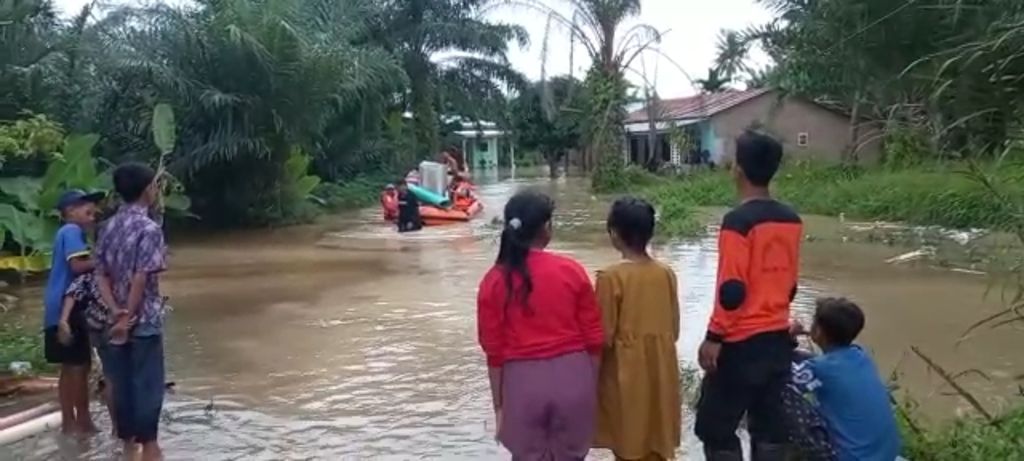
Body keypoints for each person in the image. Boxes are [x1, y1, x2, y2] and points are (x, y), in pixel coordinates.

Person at [694, 130, 803, 461]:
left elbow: (732, 290)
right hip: (777, 339)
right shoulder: (791, 220)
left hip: (740, 344)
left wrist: (714, 337)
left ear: (738, 170)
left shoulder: (737, 222)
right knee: (769, 429)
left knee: (715, 429)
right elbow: (790, 284)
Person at [476, 190, 603, 460]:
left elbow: (494, 352)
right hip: (574, 375)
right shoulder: (571, 270)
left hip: (522, 382)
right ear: (546, 228)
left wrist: (499, 406)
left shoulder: (493, 281)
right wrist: (590, 389)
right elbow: (594, 339)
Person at [594, 197, 681, 461]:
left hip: (626, 374)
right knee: (656, 441)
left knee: (628, 442)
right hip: (662, 370)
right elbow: (674, 329)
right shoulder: (666, 273)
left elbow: (603, 336)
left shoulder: (610, 278)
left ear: (614, 234)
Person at [95, 162, 168, 461]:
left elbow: (100, 275)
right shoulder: (149, 229)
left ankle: (128, 450)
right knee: (148, 388)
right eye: (154, 186)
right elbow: (142, 275)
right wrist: (129, 315)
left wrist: (116, 311)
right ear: (148, 189)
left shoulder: (107, 227)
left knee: (122, 385)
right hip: (144, 319)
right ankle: (149, 450)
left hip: (110, 320)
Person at [790, 298, 901, 461]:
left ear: (819, 331)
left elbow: (784, 382)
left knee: (782, 394)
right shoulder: (860, 354)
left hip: (852, 457)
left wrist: (784, 338)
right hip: (886, 454)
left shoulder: (819, 368)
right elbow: (824, 365)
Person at [43, 189, 104, 434]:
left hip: (56, 307)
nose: (93, 217)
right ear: (70, 212)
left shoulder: (64, 233)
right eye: (88, 212)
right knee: (80, 366)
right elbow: (78, 266)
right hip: (70, 307)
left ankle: (70, 423)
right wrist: (109, 259)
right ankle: (84, 422)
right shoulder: (71, 231)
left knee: (69, 368)